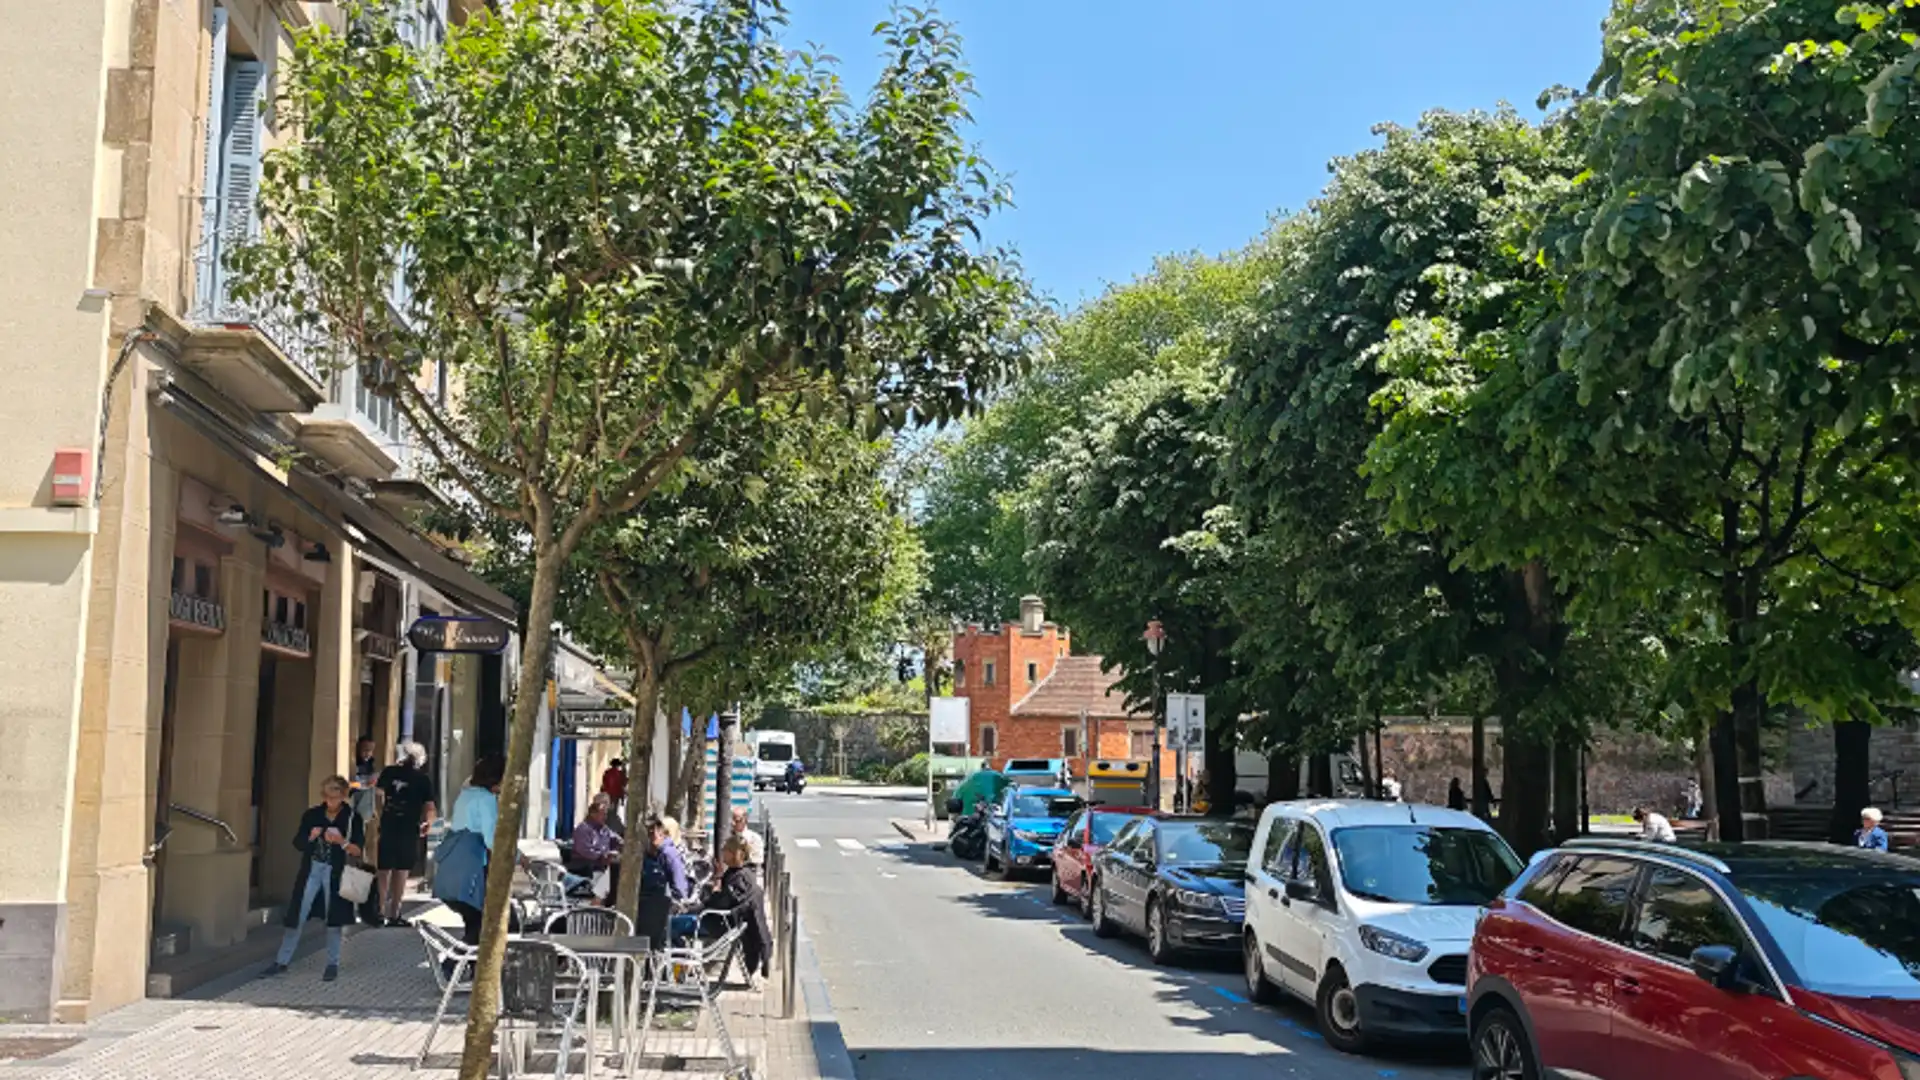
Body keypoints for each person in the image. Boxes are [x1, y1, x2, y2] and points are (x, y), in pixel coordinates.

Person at [265, 775, 364, 981]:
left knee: (334, 917)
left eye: (334, 796)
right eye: (326, 795)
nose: (329, 800)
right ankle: (282, 961)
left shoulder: (352, 818)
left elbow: (357, 851)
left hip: (336, 872)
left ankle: (332, 963)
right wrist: (310, 836)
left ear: (343, 795)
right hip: (311, 869)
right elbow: (298, 843)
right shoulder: (312, 815)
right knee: (297, 915)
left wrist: (341, 841)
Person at [433, 755, 507, 948]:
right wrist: (517, 857)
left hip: (452, 871)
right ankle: (451, 962)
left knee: (473, 926)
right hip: (470, 873)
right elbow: (492, 840)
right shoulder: (486, 799)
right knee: (480, 929)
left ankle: (465, 963)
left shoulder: (465, 795)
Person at [373, 741, 436, 927]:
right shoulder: (422, 780)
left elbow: (378, 796)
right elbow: (430, 807)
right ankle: (395, 913)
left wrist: (379, 816)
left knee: (383, 869)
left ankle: (379, 912)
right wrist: (428, 824)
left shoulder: (388, 772)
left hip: (387, 825)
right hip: (409, 827)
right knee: (401, 870)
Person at [702, 838, 771, 989]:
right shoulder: (744, 874)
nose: (722, 853)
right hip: (730, 923)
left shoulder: (738, 878)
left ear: (733, 853)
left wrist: (711, 892)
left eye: (725, 850)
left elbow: (721, 903)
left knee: (675, 925)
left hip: (718, 923)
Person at [569, 793, 624, 901]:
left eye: (606, 814)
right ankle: (599, 899)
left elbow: (617, 840)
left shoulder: (604, 829)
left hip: (605, 865)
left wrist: (622, 846)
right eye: (602, 814)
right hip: (589, 866)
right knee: (607, 876)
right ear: (593, 814)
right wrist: (602, 856)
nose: (605, 817)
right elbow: (585, 851)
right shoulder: (583, 829)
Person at [729, 806, 764, 870]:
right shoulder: (726, 837)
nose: (733, 823)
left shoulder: (755, 838)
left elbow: (757, 861)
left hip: (745, 872)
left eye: (737, 820)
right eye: (732, 819)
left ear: (745, 821)